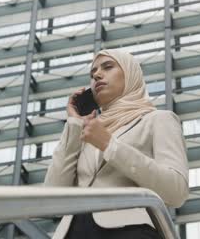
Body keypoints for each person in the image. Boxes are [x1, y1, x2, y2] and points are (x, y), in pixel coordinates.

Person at [44, 49, 189, 239]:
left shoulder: (158, 120)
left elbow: (176, 190)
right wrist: (74, 124)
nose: (96, 74)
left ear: (130, 74)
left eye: (108, 67)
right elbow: (52, 200)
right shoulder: (86, 132)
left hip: (129, 231)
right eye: (92, 73)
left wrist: (109, 145)